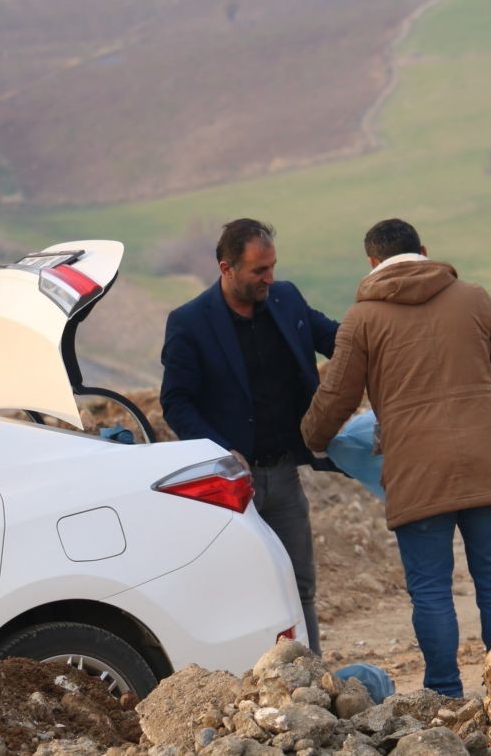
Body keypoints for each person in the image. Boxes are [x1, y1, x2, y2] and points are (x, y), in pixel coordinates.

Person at [301, 218, 491, 697]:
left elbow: (337, 396)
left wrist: (311, 437)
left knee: (431, 590)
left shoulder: (362, 320)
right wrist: (488, 419)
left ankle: (445, 693)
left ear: (372, 263)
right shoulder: (474, 298)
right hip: (486, 459)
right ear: (423, 250)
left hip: (417, 471)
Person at [160, 218, 338, 655]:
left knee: (301, 585)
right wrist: (222, 452)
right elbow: (176, 401)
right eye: (259, 271)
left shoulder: (287, 300)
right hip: (231, 488)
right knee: (239, 592)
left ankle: (312, 675)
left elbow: (340, 341)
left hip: (285, 477)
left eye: (272, 267)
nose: (270, 279)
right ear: (227, 268)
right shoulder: (189, 323)